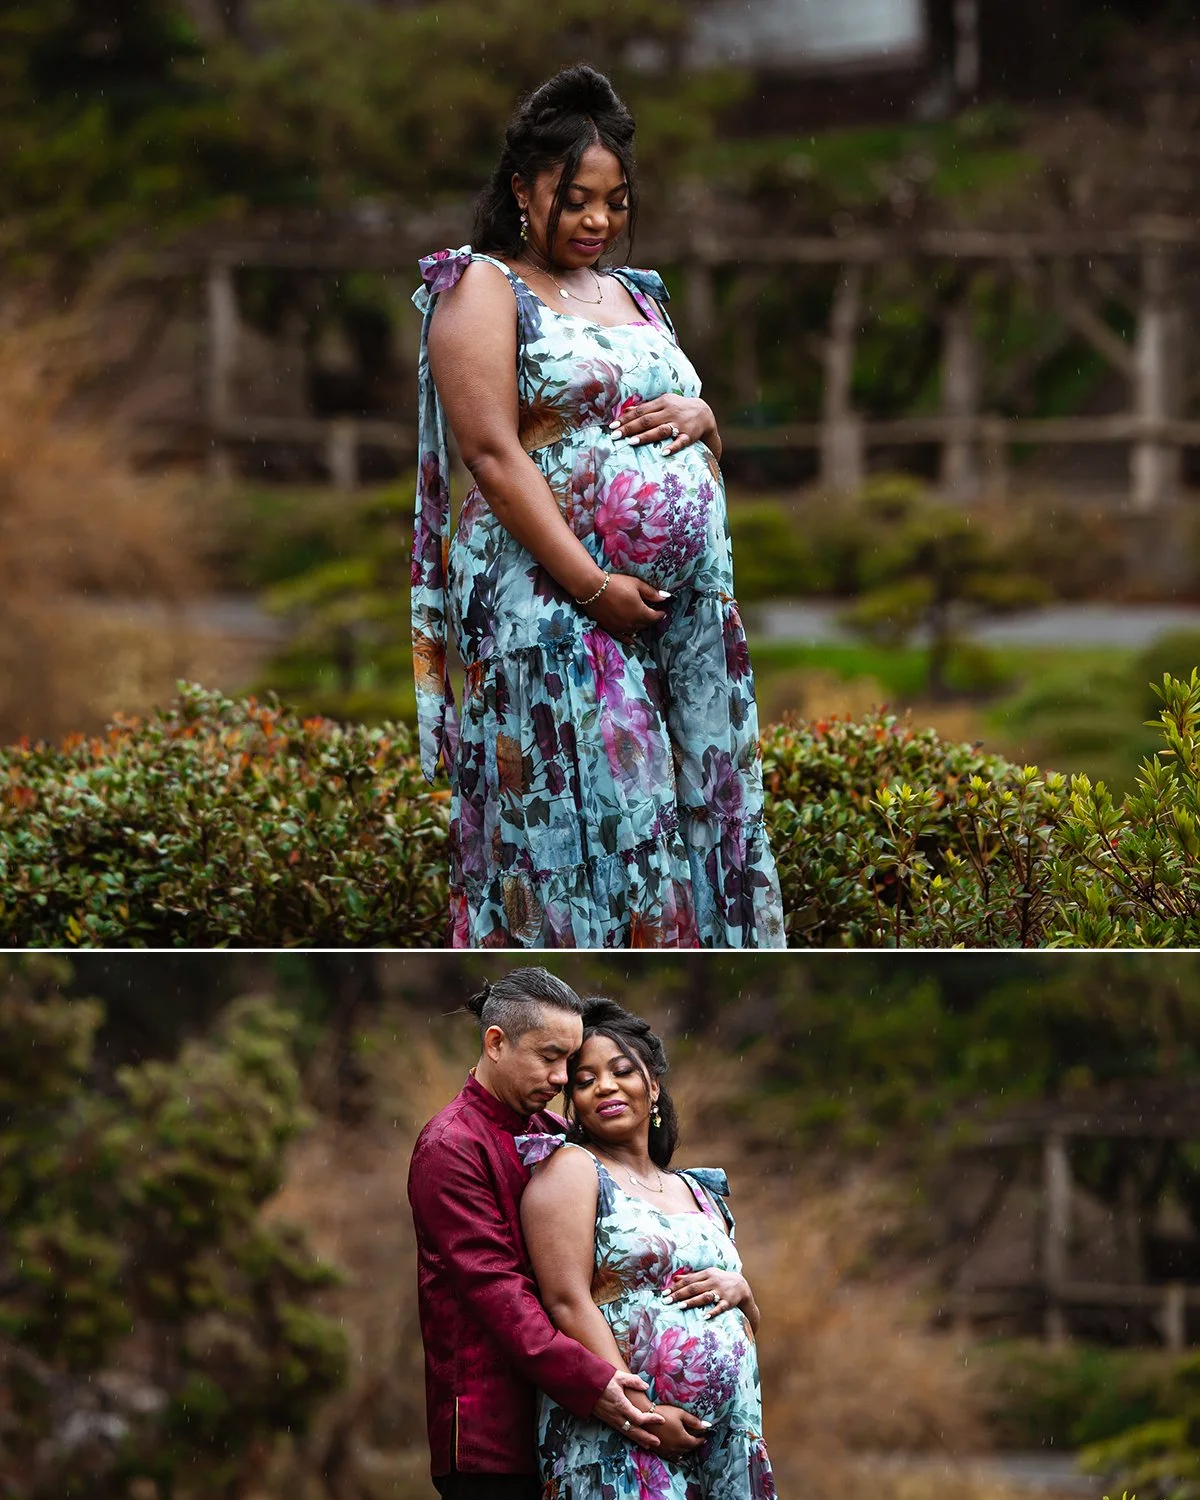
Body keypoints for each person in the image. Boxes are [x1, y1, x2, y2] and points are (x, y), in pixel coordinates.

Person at [410, 63, 786, 950]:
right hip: (554, 608)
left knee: (688, 810)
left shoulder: (638, 293)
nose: (596, 222)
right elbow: (494, 456)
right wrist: (591, 586)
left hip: (680, 619)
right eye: (575, 199)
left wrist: (705, 420)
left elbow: (691, 436)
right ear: (521, 187)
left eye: (614, 203)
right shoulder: (480, 289)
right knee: (595, 814)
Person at [408, 967, 706, 1499]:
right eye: (550, 1058)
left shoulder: (553, 1134)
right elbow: (499, 1294)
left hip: (571, 1429)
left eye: (570, 1061)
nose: (564, 1079)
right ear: (496, 1043)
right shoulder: (450, 1146)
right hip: (493, 1438)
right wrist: (604, 1389)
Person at [518, 999, 776, 1498]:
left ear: (653, 1085)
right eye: (585, 1080)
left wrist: (743, 1292)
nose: (605, 1087)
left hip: (729, 1442)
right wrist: (643, 1412)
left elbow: (743, 1327)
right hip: (623, 1439)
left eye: (620, 1071)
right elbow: (566, 1301)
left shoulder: (699, 1190)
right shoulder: (572, 1170)